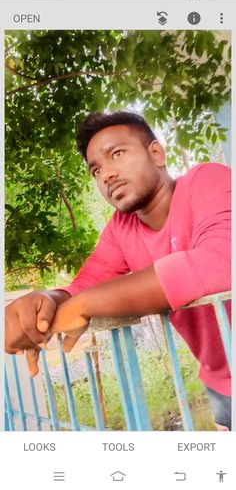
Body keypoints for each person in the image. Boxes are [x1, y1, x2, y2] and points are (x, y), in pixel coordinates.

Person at [5, 111, 231, 430]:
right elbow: (85, 284)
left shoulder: (207, 179)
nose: (106, 175)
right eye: (96, 170)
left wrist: (83, 306)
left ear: (156, 154)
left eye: (118, 154)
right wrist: (45, 300)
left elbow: (221, 263)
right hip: (219, 384)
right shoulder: (121, 229)